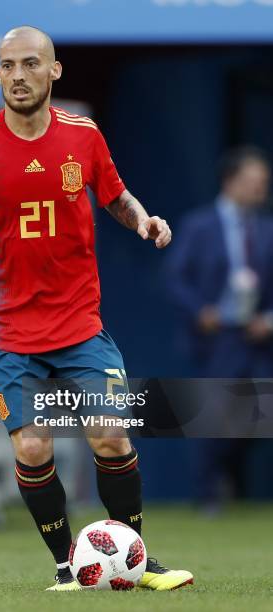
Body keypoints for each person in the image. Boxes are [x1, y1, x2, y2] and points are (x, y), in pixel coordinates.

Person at [0, 27, 193, 590]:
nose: (17, 75)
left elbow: (114, 195)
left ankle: (137, 562)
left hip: (78, 324)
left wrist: (142, 217)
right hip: (6, 328)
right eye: (6, 65)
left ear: (54, 71)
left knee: (111, 436)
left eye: (29, 64)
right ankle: (66, 562)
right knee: (32, 444)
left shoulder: (83, 136)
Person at [166, 147, 273, 511]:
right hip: (216, 337)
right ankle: (208, 495)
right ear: (231, 181)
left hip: (256, 336)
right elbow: (176, 277)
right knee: (214, 414)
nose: (261, 190)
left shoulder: (265, 228)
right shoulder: (200, 225)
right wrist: (201, 311)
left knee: (258, 413)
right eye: (254, 182)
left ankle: (229, 475)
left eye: (264, 183)